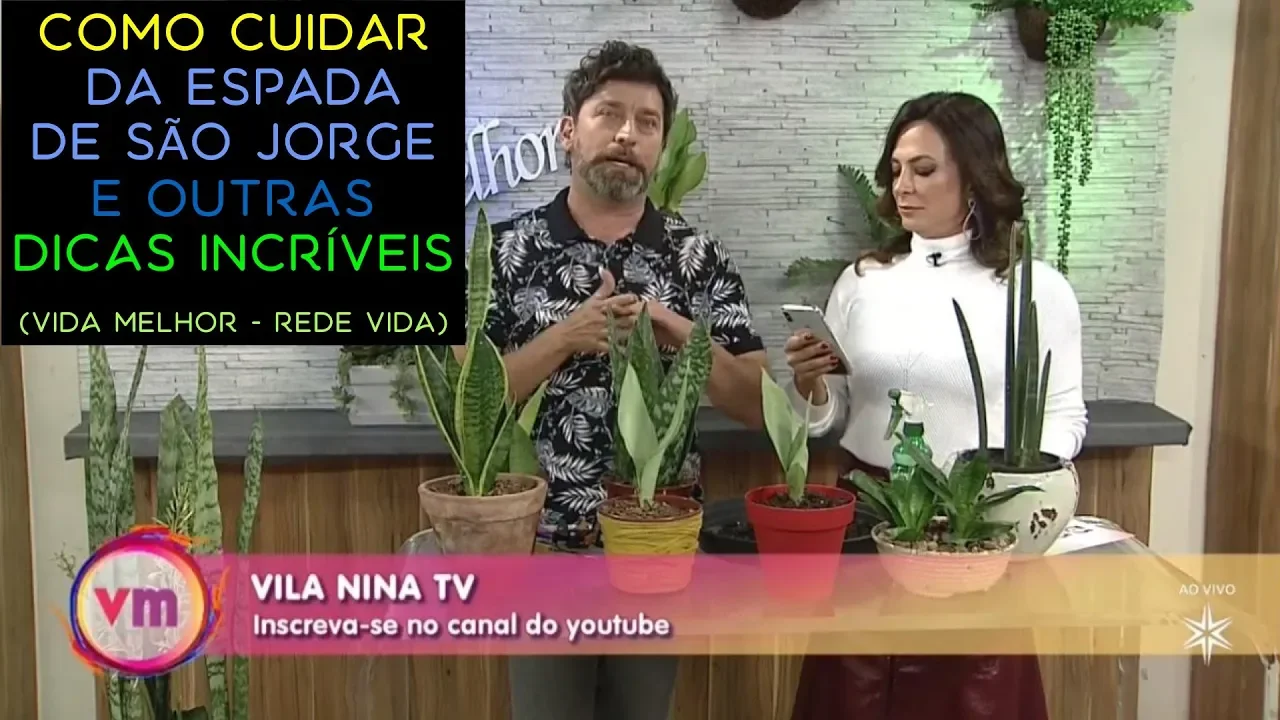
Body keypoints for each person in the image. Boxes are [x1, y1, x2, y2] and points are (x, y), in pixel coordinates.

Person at [466, 40, 770, 720]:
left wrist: (675, 329)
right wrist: (566, 337)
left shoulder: (698, 258)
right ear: (568, 132)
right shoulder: (508, 250)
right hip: (542, 547)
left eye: (647, 122)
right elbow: (472, 404)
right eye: (609, 114)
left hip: (657, 546)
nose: (628, 134)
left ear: (660, 147)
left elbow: (757, 405)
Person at [783, 91, 1088, 719]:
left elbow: (1064, 417)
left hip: (977, 528)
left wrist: (1010, 499)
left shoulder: (1035, 288)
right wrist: (810, 386)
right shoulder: (862, 281)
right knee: (854, 697)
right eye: (896, 169)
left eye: (924, 170)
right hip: (868, 519)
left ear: (974, 177)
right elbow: (830, 416)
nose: (903, 186)